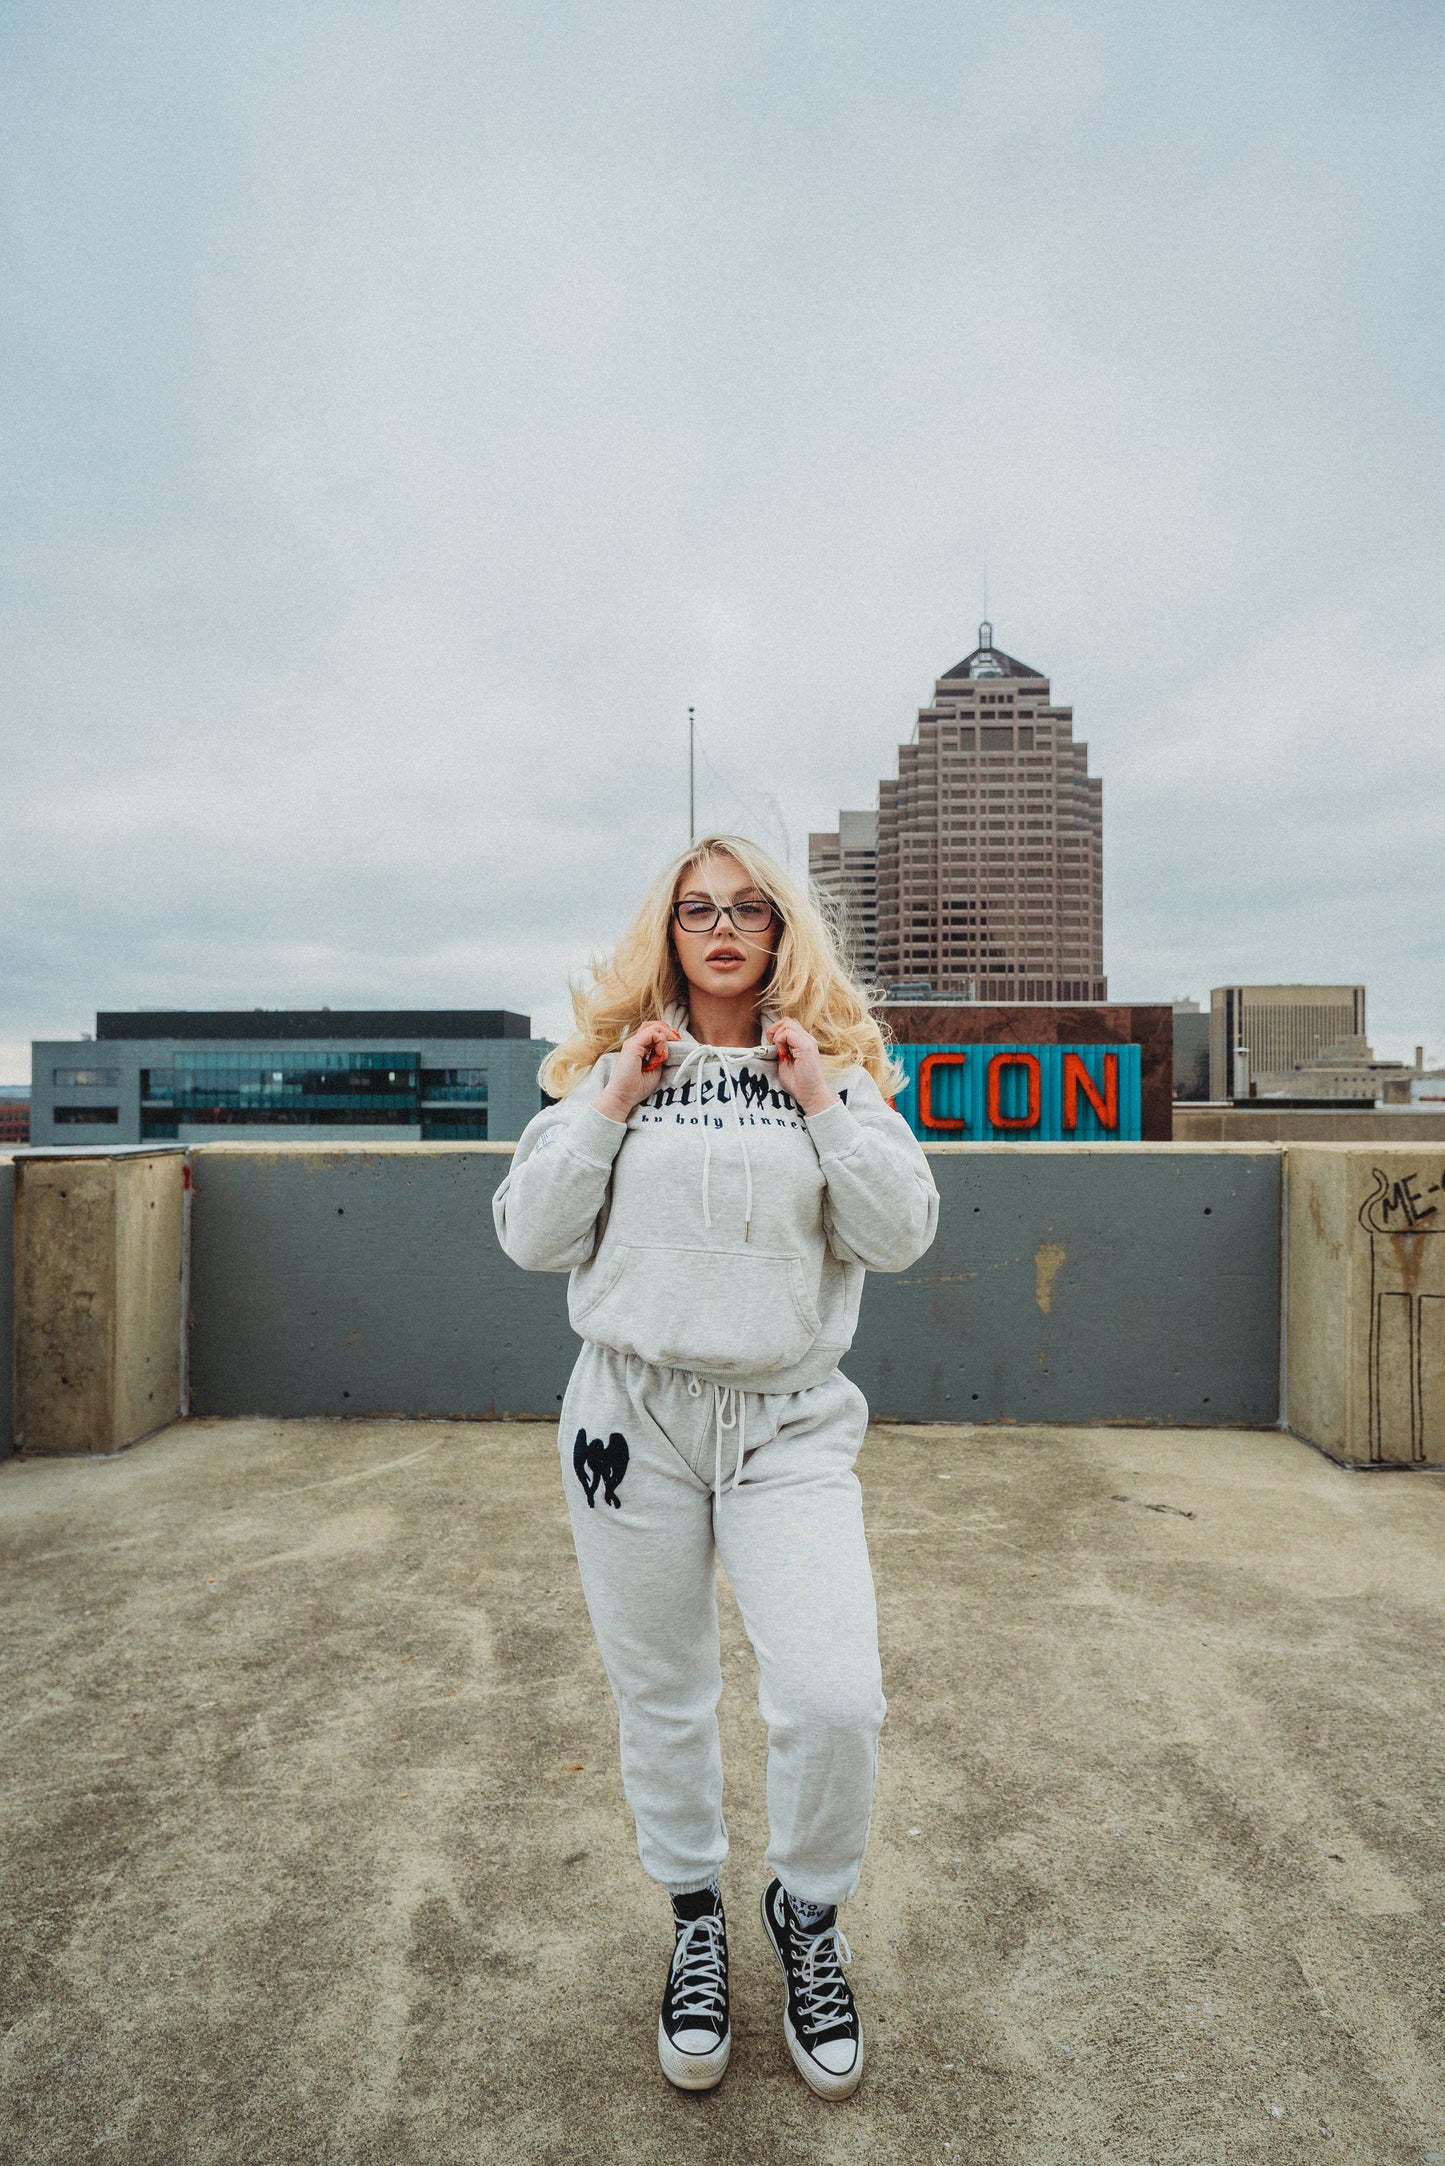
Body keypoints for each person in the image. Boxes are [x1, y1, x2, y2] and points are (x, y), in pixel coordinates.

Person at [493, 833, 938, 2099]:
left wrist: (820, 1102)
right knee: (663, 1691)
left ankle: (806, 1914)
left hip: (786, 1423)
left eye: (748, 908)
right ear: (669, 931)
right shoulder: (611, 1068)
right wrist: (612, 1103)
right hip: (628, 1421)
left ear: (781, 930)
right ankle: (695, 1918)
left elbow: (900, 1234)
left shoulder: (833, 1071)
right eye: (698, 910)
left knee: (832, 1697)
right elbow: (529, 1236)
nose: (724, 928)